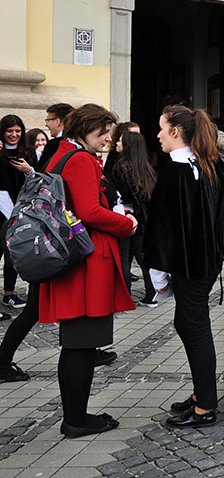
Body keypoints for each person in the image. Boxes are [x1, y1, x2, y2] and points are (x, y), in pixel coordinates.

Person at [37, 104, 137, 437]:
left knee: (78, 343)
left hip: (74, 260)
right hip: (85, 264)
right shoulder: (80, 160)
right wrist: (126, 224)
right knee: (81, 343)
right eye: (103, 131)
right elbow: (90, 211)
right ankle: (76, 419)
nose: (108, 138)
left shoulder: (64, 152)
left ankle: (77, 414)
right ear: (85, 128)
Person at [145, 105, 224, 429]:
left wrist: (158, 275)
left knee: (195, 328)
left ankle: (205, 405)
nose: (159, 134)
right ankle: (200, 393)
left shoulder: (177, 169)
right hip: (203, 262)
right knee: (188, 323)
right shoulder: (204, 164)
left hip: (190, 265)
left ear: (176, 131)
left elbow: (164, 227)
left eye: (163, 128)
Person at [110, 131, 158, 307]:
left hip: (126, 215)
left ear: (127, 146)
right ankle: (152, 293)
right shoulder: (146, 167)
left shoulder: (120, 167)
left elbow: (120, 195)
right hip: (143, 218)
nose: (116, 143)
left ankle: (124, 297)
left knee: (123, 257)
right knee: (142, 256)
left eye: (120, 141)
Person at [0, 114, 34, 309]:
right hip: (2, 210)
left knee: (13, 252)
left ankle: (9, 293)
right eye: (9, 131)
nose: (13, 135)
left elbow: (37, 180)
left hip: (21, 208)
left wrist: (28, 170)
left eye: (17, 131)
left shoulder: (27, 153)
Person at [37, 103, 74, 172]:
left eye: (48, 120)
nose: (46, 124)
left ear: (57, 121)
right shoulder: (81, 143)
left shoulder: (53, 145)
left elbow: (42, 172)